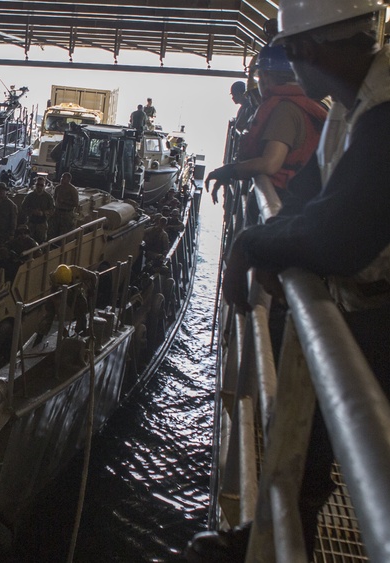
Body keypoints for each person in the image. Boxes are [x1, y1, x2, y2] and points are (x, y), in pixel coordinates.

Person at [186, 2, 390, 560]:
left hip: (380, 308)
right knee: (311, 431)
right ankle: (273, 535)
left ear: (306, 53)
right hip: (364, 303)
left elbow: (342, 234)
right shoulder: (353, 107)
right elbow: (311, 196)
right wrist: (271, 238)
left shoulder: (385, 109)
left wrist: (252, 244)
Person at [207, 44, 327, 205]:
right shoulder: (301, 102)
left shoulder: (286, 110)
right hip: (298, 197)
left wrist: (229, 171)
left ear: (265, 76)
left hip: (285, 201)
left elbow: (270, 163)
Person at [21, 175, 55, 243]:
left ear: (44, 186)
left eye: (41, 185)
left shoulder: (48, 197)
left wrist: (43, 213)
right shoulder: (30, 196)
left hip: (42, 223)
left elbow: (52, 209)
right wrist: (32, 211)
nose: (39, 186)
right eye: (38, 184)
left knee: (41, 241)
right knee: (29, 242)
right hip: (31, 222)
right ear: (35, 185)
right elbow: (23, 207)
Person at [51, 173, 79, 238]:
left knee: (65, 231)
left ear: (69, 179)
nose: (62, 179)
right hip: (57, 211)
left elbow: (76, 203)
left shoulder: (72, 190)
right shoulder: (58, 188)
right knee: (54, 230)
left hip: (67, 213)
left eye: (64, 178)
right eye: (61, 177)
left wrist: (65, 202)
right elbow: (54, 198)